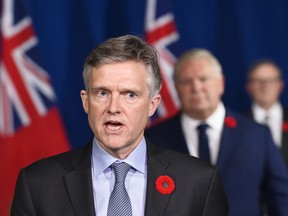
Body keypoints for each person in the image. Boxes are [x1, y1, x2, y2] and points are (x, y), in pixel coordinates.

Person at [11, 35, 228, 216]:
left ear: (152, 105)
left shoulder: (199, 182)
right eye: (102, 93)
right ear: (86, 102)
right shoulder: (37, 184)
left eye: (130, 94)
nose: (113, 107)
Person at [145, 48, 288, 216]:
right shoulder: (155, 136)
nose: (196, 87)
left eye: (203, 79)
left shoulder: (256, 134)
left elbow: (281, 198)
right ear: (176, 88)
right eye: (186, 81)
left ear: (221, 83)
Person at [245, 60, 288, 166]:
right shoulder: (239, 124)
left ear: (280, 85)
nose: (265, 86)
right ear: (249, 86)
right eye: (259, 81)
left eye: (271, 80)